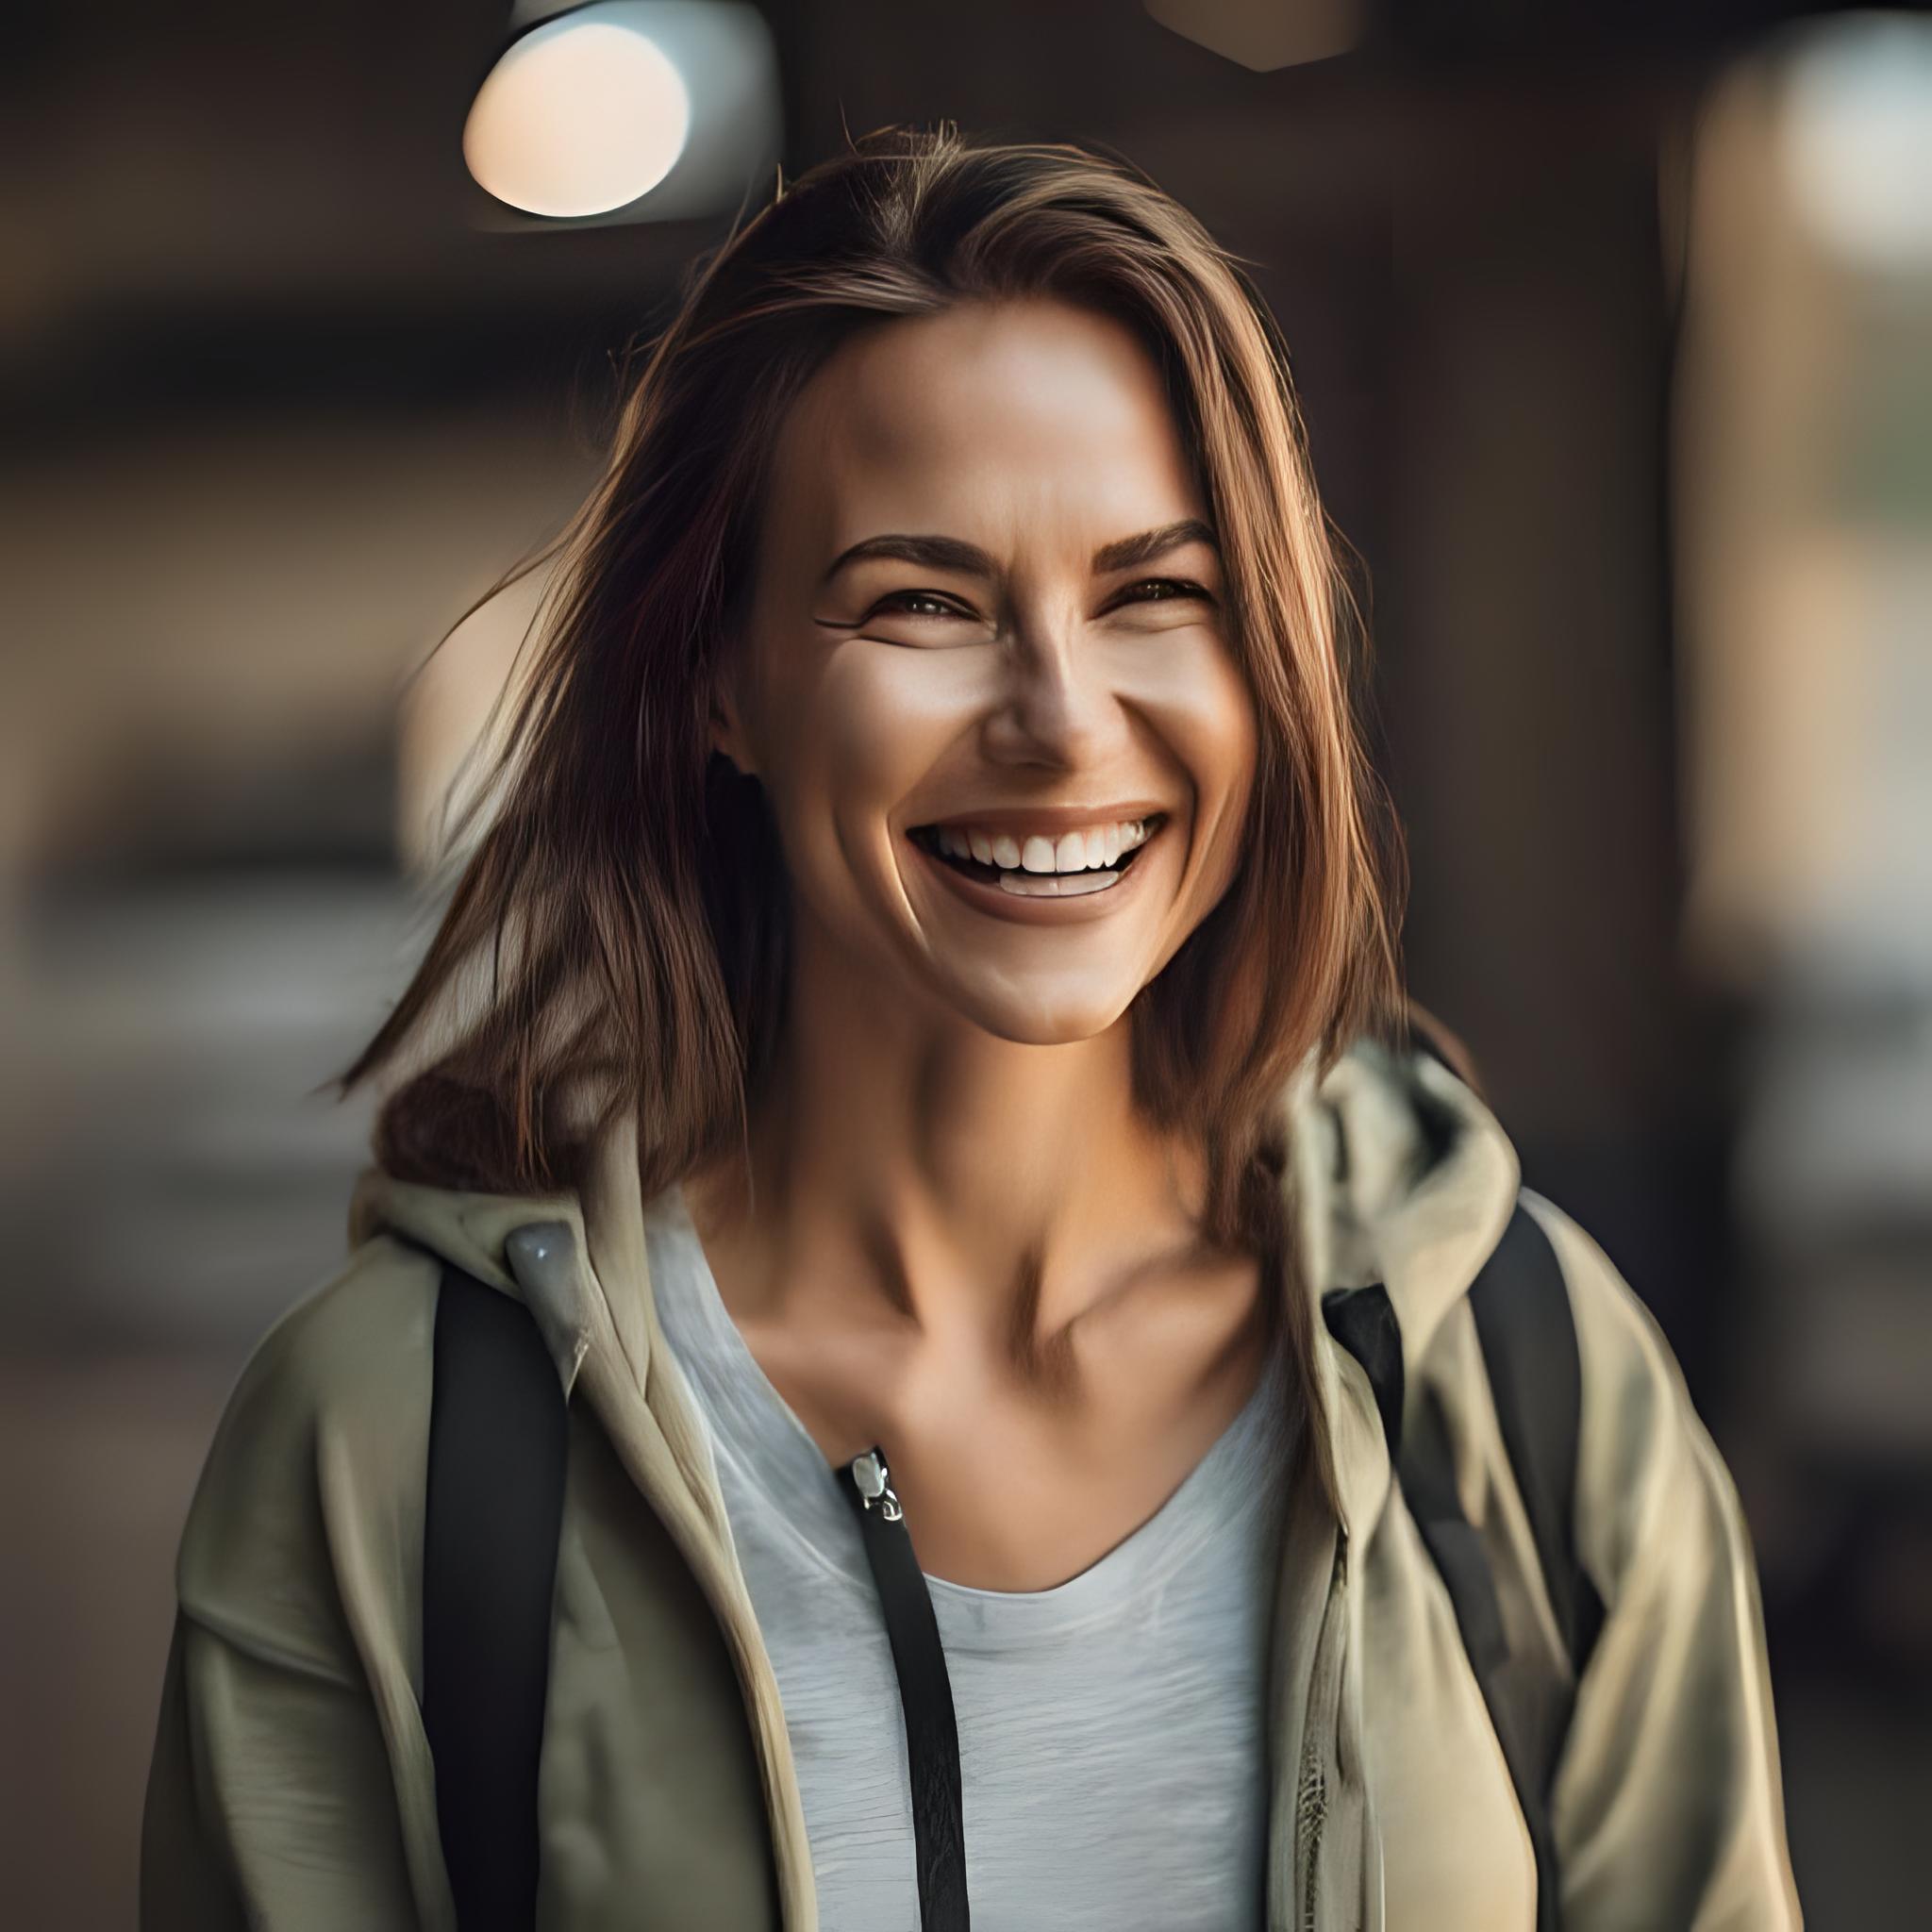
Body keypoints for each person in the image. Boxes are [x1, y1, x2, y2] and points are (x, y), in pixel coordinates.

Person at [140, 125, 1803, 1930]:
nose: (1062, 719)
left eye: (1157, 593)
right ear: (718, 681)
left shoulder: (1525, 1375)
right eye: (924, 602)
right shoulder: (389, 1444)